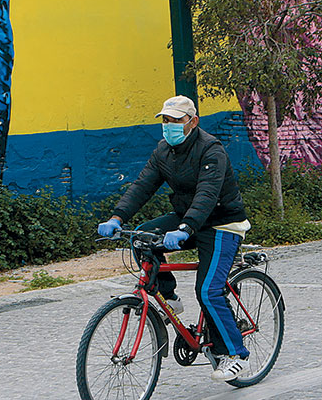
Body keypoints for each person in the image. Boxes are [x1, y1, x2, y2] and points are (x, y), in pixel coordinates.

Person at [97, 95, 252, 382]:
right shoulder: (163, 151)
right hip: (187, 220)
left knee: (208, 290)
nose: (169, 126)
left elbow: (207, 195)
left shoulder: (211, 151)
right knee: (142, 237)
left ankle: (235, 353)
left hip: (221, 223)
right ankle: (169, 296)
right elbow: (143, 185)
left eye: (176, 121)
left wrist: (185, 228)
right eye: (165, 120)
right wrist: (117, 217)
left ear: (192, 122)